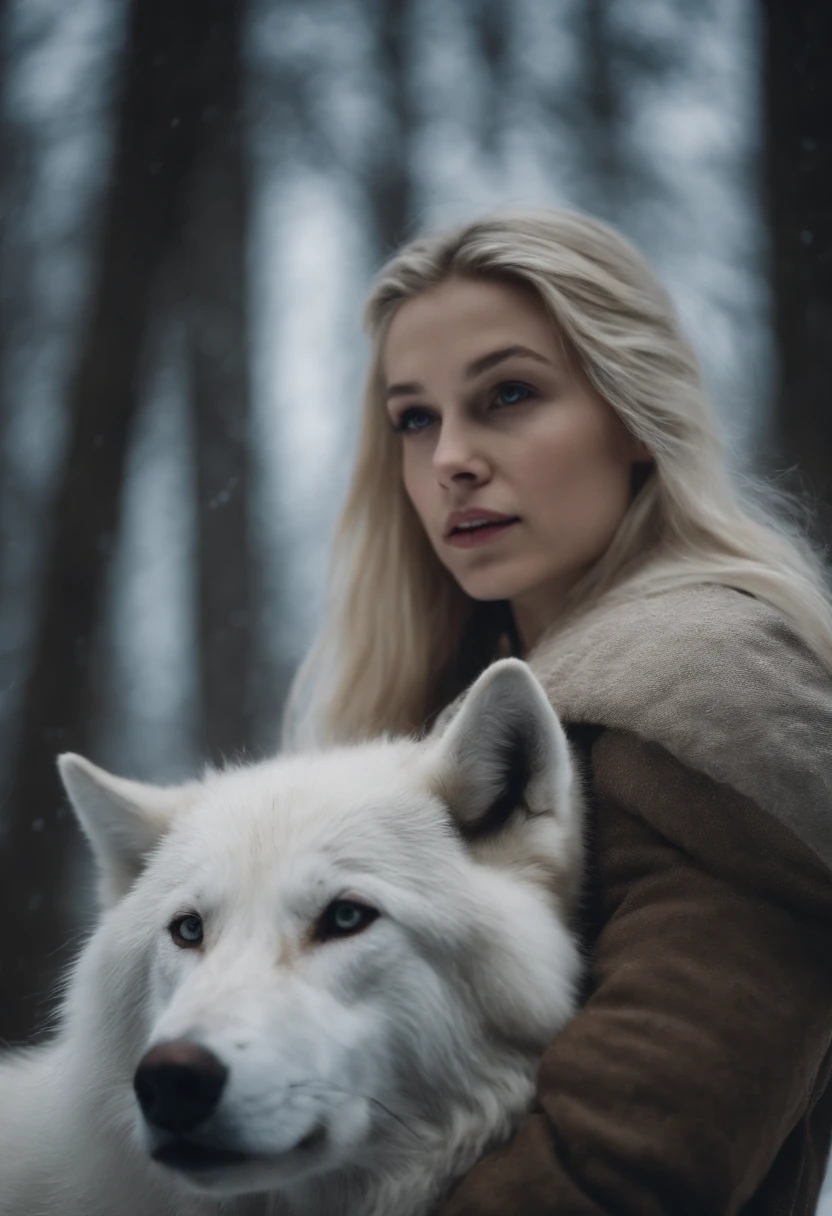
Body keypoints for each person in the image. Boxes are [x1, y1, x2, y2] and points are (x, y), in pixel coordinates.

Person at [283, 209, 832, 1214]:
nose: (450, 458)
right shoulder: (468, 707)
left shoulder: (708, 697)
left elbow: (612, 1171)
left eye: (508, 394)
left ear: (634, 416)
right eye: (415, 418)